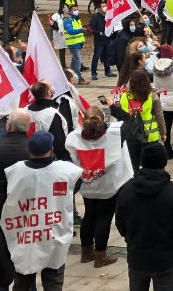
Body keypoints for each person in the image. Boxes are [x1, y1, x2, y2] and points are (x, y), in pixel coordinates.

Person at [1, 132, 82, 291]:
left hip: (25, 237)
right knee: (53, 281)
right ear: (51, 149)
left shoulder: (15, 170)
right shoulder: (66, 170)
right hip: (54, 235)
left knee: (22, 281)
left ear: (29, 150)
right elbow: (76, 186)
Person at [114, 143, 173, 291]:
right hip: (167, 260)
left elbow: (120, 223)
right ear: (164, 162)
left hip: (138, 256)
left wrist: (132, 240)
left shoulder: (126, 190)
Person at [65, 105, 132, 268]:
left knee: (89, 215)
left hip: (88, 184)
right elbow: (131, 122)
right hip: (108, 185)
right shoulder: (114, 135)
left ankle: (86, 251)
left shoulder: (74, 137)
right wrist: (112, 106)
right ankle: (101, 255)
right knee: (104, 218)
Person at [110, 70, 165, 169]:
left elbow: (121, 116)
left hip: (131, 135)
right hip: (150, 135)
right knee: (152, 163)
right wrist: (163, 133)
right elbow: (159, 116)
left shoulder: (124, 96)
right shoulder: (152, 96)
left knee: (134, 164)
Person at [62, 7, 90, 85]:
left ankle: (69, 76)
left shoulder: (76, 19)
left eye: (77, 9)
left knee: (74, 61)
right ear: (70, 11)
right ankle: (78, 78)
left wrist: (82, 41)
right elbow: (70, 31)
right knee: (77, 61)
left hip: (77, 43)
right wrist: (81, 30)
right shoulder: (67, 20)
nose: (77, 11)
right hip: (73, 43)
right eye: (74, 10)